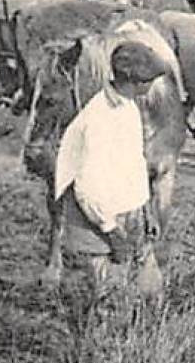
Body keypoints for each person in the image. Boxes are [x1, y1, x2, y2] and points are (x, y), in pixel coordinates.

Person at [51, 41, 171, 321]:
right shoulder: (97, 119)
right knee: (102, 311)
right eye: (148, 80)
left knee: (151, 295)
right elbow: (86, 190)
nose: (150, 85)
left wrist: (146, 210)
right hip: (97, 231)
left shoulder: (128, 107)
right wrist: (113, 232)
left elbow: (134, 163)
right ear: (134, 79)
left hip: (130, 219)